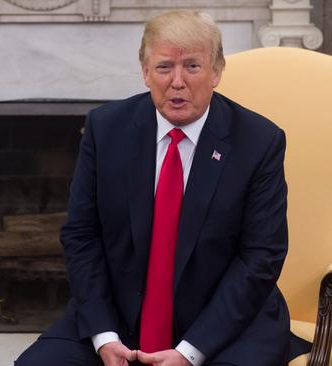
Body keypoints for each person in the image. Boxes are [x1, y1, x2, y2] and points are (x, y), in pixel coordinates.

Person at [16, 10, 311, 366]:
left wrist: (189, 352)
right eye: (164, 67)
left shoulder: (259, 141)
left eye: (192, 66)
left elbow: (261, 257)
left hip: (226, 323)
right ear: (145, 73)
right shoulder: (105, 129)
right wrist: (105, 337)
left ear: (216, 72)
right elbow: (82, 235)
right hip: (118, 318)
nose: (177, 81)